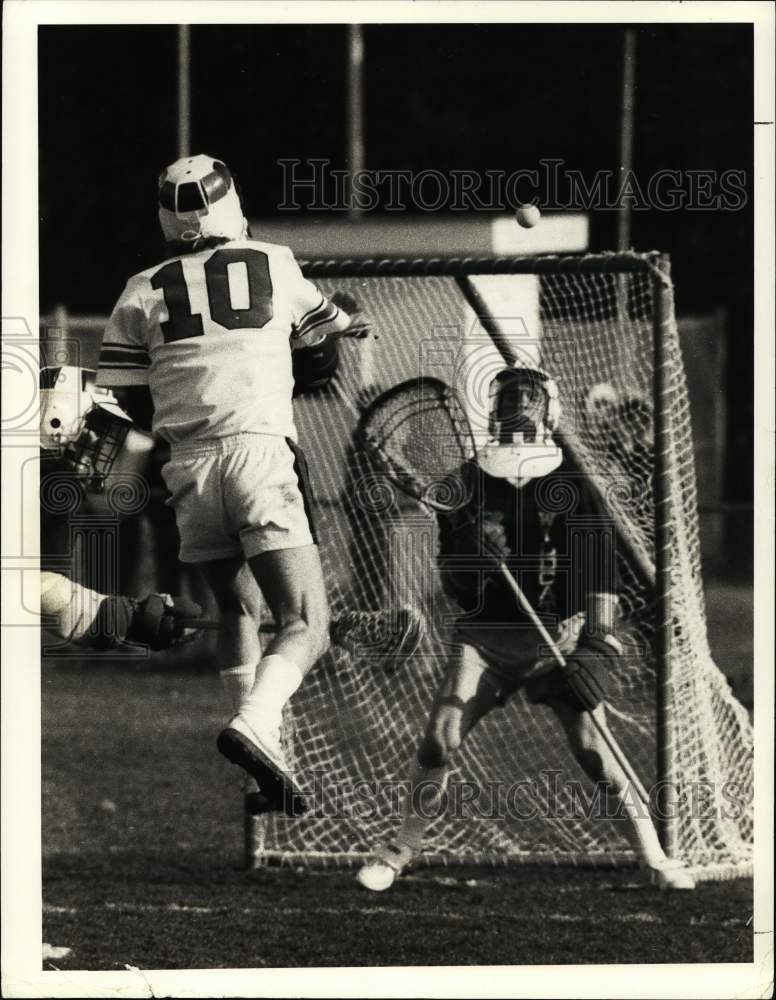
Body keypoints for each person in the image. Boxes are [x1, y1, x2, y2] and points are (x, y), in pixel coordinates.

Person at [96, 154, 367, 814]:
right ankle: (258, 726)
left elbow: (128, 401)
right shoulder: (273, 261)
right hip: (259, 455)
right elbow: (325, 345)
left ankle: (259, 771)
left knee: (239, 610)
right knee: (307, 621)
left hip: (187, 467)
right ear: (231, 205)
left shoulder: (139, 287)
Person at [357, 365, 695, 891]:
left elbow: (599, 572)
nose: (518, 405)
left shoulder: (573, 482)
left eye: (529, 396)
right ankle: (401, 847)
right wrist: (473, 560)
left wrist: (594, 640)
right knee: (439, 739)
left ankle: (653, 855)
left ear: (548, 410)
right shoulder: (469, 481)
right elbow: (454, 585)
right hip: (484, 639)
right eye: (509, 396)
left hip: (554, 636)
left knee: (593, 752)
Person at [41, 571, 202, 651]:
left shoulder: (161, 614)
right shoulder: (158, 635)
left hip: (75, 605)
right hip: (84, 633)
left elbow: (154, 610)